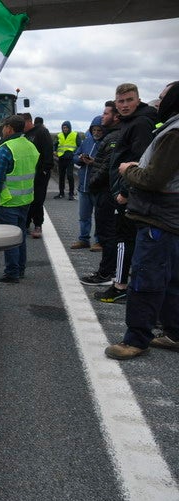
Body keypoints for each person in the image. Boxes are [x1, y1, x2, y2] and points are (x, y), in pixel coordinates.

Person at [104, 81, 179, 360]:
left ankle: (136, 339)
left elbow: (153, 178)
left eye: (162, 98)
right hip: (170, 218)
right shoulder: (169, 128)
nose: (157, 103)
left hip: (158, 218)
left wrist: (129, 170)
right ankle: (173, 333)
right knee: (171, 280)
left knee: (146, 281)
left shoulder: (173, 133)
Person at [93, 83, 158, 304]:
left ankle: (120, 285)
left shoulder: (139, 124)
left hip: (128, 193)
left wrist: (125, 192)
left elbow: (142, 161)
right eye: (120, 101)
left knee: (123, 239)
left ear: (138, 100)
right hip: (126, 190)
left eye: (129, 100)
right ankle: (126, 284)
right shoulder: (133, 122)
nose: (125, 105)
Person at [0, 115, 39, 283]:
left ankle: (12, 272)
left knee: (10, 238)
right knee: (20, 234)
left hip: (7, 200)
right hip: (26, 199)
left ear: (9, 128)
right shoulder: (30, 146)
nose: (3, 130)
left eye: (4, 127)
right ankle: (20, 269)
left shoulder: (5, 148)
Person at [79, 101, 123, 287]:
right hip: (106, 190)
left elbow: (107, 166)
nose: (102, 116)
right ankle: (107, 271)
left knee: (108, 234)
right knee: (106, 233)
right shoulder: (111, 136)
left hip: (107, 192)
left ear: (115, 117)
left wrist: (93, 181)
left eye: (106, 113)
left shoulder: (114, 138)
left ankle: (107, 274)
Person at [70, 116, 104, 250]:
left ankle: (99, 240)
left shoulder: (105, 142)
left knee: (99, 216)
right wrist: (79, 159)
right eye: (94, 130)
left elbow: (109, 162)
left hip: (97, 186)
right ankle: (84, 239)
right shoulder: (86, 141)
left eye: (99, 130)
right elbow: (74, 156)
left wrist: (94, 162)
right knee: (83, 216)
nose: (96, 132)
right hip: (83, 185)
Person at [21, 112, 53, 239]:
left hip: (40, 173)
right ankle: (26, 224)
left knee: (38, 200)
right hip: (27, 174)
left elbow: (48, 150)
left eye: (23, 124)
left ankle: (38, 225)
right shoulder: (25, 135)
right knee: (27, 199)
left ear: (29, 121)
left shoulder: (41, 132)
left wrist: (45, 169)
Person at [53, 121, 79, 199]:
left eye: (66, 127)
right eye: (63, 128)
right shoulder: (59, 135)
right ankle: (61, 193)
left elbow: (79, 145)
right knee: (61, 176)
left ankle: (71, 194)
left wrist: (74, 153)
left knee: (70, 175)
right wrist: (54, 150)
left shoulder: (75, 135)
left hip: (70, 158)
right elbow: (55, 144)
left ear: (69, 128)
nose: (65, 129)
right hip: (61, 158)